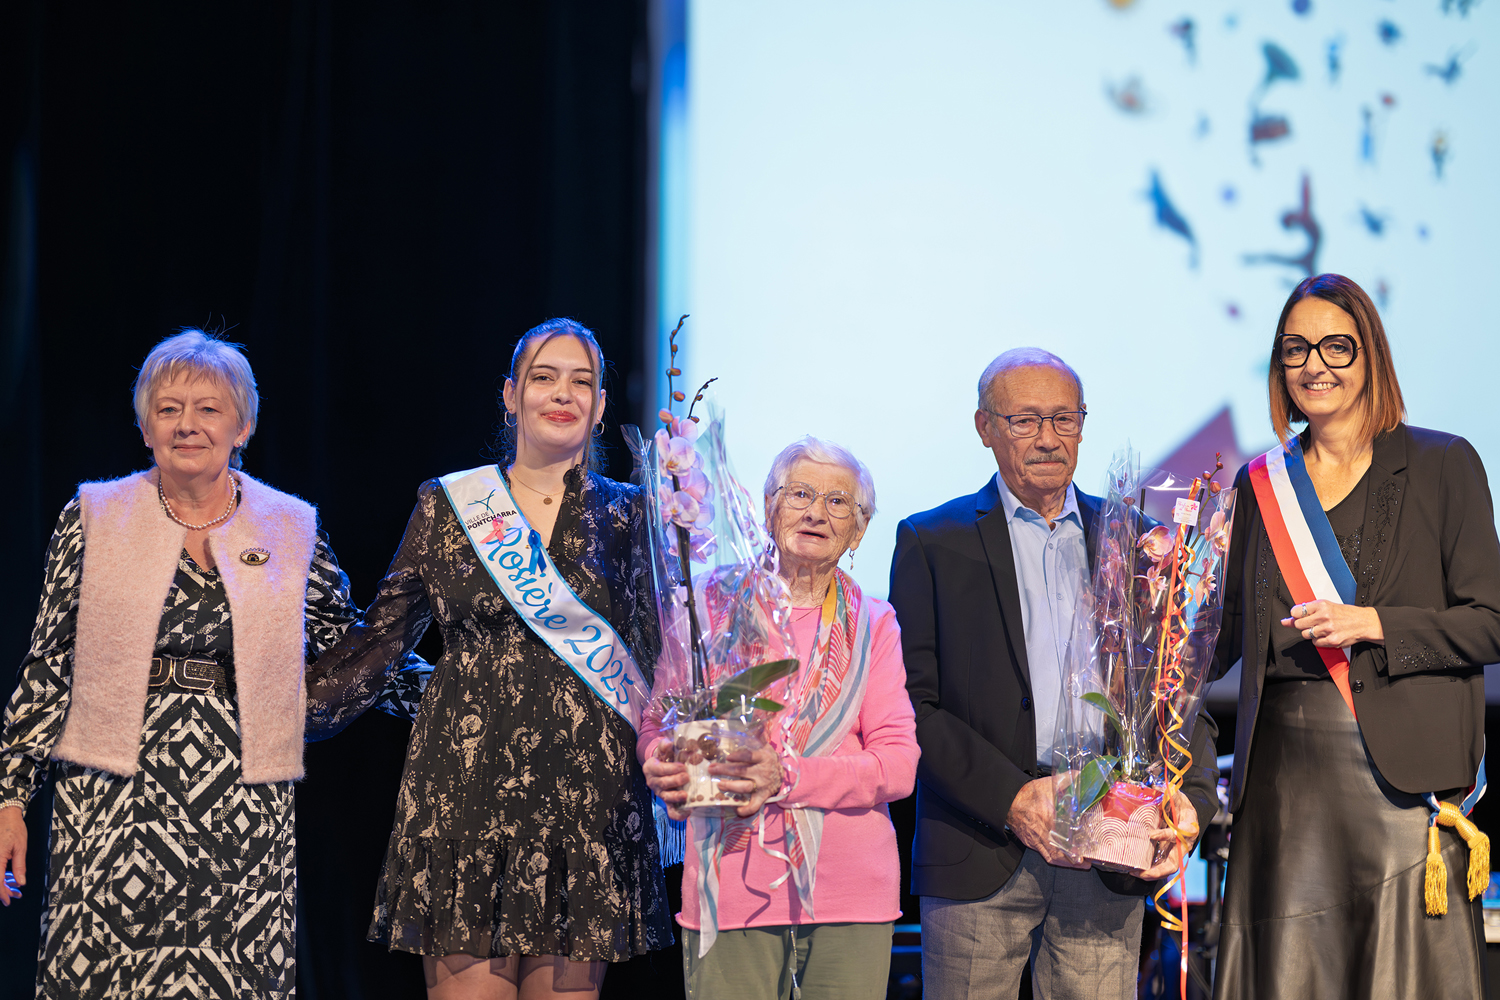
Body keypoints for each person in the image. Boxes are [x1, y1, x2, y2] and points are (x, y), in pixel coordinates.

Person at [0, 330, 424, 998]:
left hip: (241, 805)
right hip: (109, 797)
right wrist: (10, 798)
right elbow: (49, 665)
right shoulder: (93, 516)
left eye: (208, 409)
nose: (186, 425)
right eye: (168, 409)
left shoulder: (288, 526)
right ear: (145, 427)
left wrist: (461, 691)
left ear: (242, 426)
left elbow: (356, 655)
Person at [303, 318, 670, 1000]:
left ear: (599, 406)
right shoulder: (450, 505)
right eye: (543, 377)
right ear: (510, 395)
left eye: (582, 382)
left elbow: (661, 659)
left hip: (586, 803)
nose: (562, 393)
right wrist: (280, 710)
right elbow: (380, 644)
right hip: (464, 795)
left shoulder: (630, 518)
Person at [888, 347, 1220, 999]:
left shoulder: (1139, 542)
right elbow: (910, 706)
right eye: (1025, 420)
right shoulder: (933, 541)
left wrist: (1196, 801)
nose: (1047, 438)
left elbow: (1180, 691)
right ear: (985, 427)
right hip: (979, 843)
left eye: (1064, 419)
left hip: (1111, 843)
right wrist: (1012, 800)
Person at [1211, 274, 1497, 999]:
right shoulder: (1258, 484)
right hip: (1282, 785)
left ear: (1370, 354)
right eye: (1296, 349)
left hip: (1397, 785)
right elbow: (1225, 639)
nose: (1315, 365)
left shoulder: (1442, 463)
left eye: (1336, 346)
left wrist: (1376, 625)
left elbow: (1490, 622)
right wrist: (1158, 609)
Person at [640, 435, 919, 1000]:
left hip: (850, 896)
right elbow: (659, 722)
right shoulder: (709, 602)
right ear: (769, 508)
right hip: (729, 883)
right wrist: (660, 760)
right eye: (800, 494)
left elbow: (897, 765)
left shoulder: (875, 623)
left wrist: (785, 777)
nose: (816, 513)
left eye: (838, 502)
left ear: (859, 530)